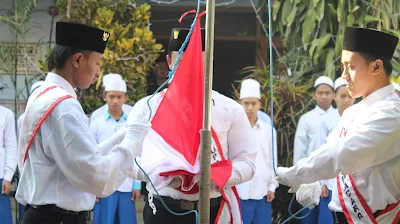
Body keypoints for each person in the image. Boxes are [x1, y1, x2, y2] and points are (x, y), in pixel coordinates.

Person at [16, 21, 150, 224]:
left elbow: (84, 155)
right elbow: (97, 176)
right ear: (77, 60)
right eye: (97, 63)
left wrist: (123, 134)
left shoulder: (44, 94)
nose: (97, 72)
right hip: (58, 218)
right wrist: (132, 141)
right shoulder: (63, 107)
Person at [131, 27, 256, 224]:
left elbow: (247, 163)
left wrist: (214, 176)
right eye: (182, 61)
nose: (191, 68)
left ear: (210, 62)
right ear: (170, 61)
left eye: (198, 61)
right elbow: (128, 159)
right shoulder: (148, 107)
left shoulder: (230, 109)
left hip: (212, 209)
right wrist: (160, 173)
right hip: (163, 210)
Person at [276, 27, 400, 224]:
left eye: (350, 66)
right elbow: (329, 148)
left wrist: (297, 174)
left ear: (376, 67)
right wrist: (315, 183)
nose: (344, 76)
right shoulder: (354, 111)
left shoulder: (392, 113)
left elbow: (345, 154)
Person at [90, 78, 141, 224]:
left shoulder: (132, 123)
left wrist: (137, 184)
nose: (115, 101)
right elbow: (91, 156)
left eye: (119, 97)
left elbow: (138, 153)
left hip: (127, 182)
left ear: (126, 97)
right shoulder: (96, 124)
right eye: (111, 96)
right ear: (104, 96)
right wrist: (93, 186)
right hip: (103, 184)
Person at [293, 76, 336, 223]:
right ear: (314, 95)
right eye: (320, 93)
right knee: (308, 220)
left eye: (327, 93)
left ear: (334, 95)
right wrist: (302, 181)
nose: (324, 96)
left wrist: (327, 181)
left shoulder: (340, 117)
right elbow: (300, 153)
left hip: (332, 183)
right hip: (309, 181)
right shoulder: (306, 119)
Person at [236, 79, 278, 224]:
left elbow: (272, 160)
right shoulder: (234, 129)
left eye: (253, 103)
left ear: (259, 104)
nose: (250, 107)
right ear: (240, 103)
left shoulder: (268, 130)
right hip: (240, 190)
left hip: (263, 191)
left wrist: (272, 186)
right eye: (246, 103)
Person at [0, 104, 17, 224]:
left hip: (0, 178)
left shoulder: (6, 114)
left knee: (3, 218)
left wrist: (8, 176)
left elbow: (11, 146)